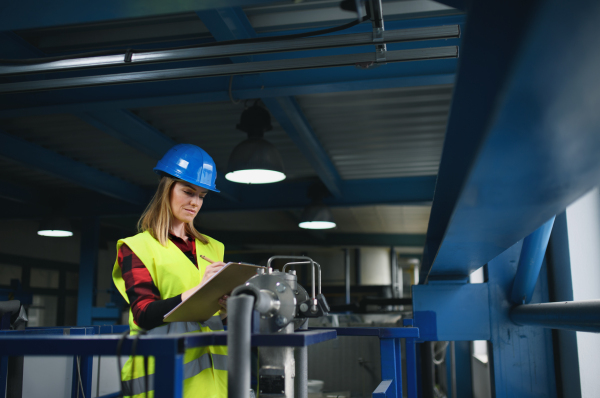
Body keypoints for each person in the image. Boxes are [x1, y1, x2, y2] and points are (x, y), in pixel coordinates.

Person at [112, 144, 228, 398]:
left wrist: (229, 309)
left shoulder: (213, 248)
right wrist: (199, 291)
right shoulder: (137, 247)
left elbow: (215, 319)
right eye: (188, 191)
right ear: (167, 188)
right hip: (163, 380)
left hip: (214, 383)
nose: (195, 202)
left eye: (202, 195)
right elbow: (143, 313)